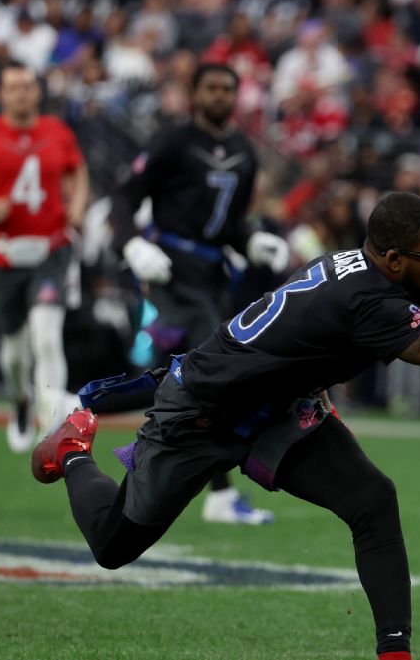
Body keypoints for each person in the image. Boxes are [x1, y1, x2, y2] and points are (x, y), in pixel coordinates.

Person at [30, 191, 420, 660]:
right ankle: (73, 449)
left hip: (278, 404)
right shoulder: (371, 297)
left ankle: (393, 652)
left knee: (373, 499)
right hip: (204, 412)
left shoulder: (370, 272)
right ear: (395, 259)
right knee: (114, 546)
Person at [111, 62, 290, 525]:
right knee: (207, 378)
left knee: (183, 381)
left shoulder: (243, 152)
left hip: (211, 274)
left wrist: (251, 240)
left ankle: (85, 408)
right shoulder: (172, 140)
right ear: (194, 93)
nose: (219, 96)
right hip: (170, 270)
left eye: (227, 88)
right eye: (210, 87)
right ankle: (216, 493)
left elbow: (229, 224)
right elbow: (124, 198)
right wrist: (131, 243)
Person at [0, 61, 90, 451]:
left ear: (37, 92)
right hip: (3, 256)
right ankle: (21, 401)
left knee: (46, 335)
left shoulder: (57, 131)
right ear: (2, 94)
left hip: (50, 251)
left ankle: (54, 428)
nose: (22, 93)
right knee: (13, 353)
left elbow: (77, 171)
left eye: (28, 85)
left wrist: (76, 206)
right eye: (14, 87)